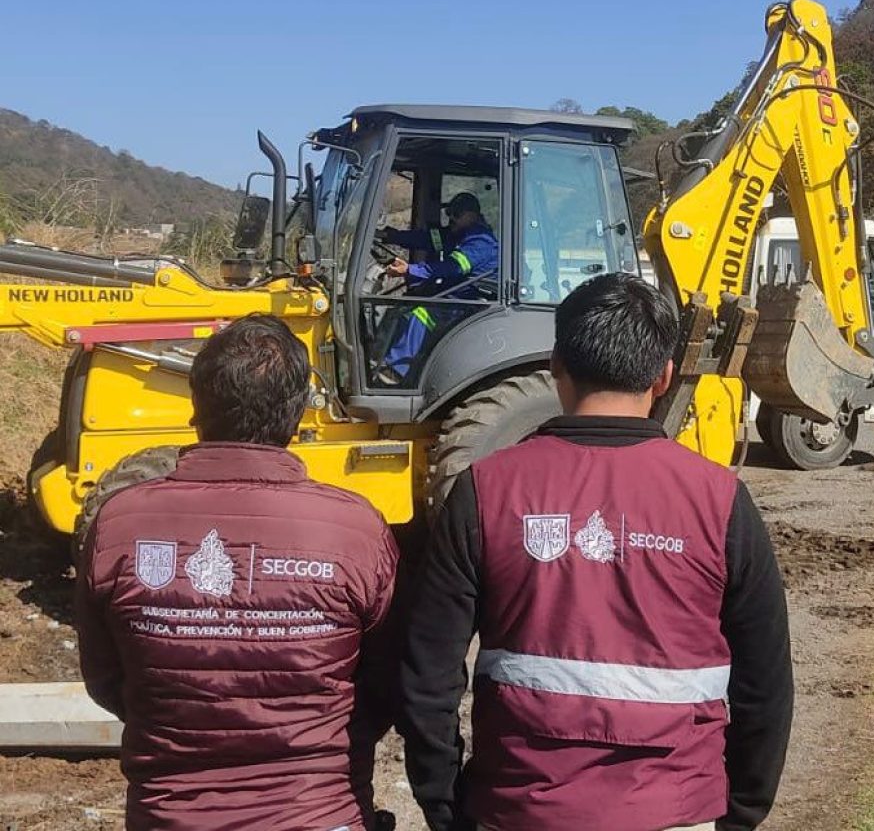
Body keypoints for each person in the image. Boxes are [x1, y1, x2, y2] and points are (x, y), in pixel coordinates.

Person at [398, 273, 793, 831]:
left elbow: (428, 674)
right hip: (677, 810)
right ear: (664, 376)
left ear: (556, 364)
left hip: (517, 809)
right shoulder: (720, 500)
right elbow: (766, 685)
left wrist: (445, 804)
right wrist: (740, 811)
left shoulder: (486, 490)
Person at [76, 314, 398, 831]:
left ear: (196, 407)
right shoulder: (357, 529)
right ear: (297, 415)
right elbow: (383, 682)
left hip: (171, 813)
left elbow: (108, 678)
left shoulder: (120, 523)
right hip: (316, 810)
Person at [377, 191, 498, 383]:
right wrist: (390, 236)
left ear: (472, 215)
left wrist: (410, 269)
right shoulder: (457, 235)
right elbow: (425, 239)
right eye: (449, 212)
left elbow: (452, 267)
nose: (451, 218)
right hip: (455, 299)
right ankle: (381, 360)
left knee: (421, 313)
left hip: (471, 304)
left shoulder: (481, 241)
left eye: (456, 214)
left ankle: (396, 371)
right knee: (403, 308)